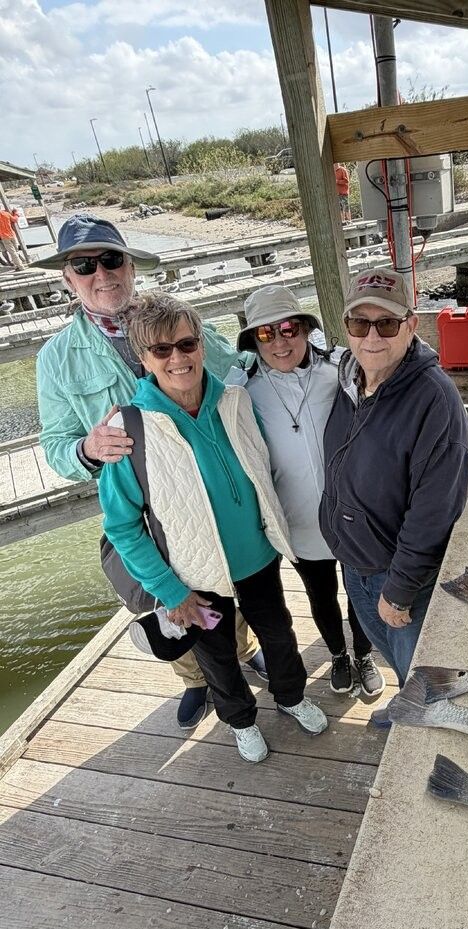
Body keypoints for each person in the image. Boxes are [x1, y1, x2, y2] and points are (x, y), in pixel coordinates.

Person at [33, 213, 266, 729]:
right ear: (67, 279)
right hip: (140, 507)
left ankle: (242, 652)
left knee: (223, 579)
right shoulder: (55, 358)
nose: (102, 272)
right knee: (167, 595)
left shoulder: (176, 318)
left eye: (111, 258)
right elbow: (53, 446)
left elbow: (235, 368)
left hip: (205, 491)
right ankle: (196, 679)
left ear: (131, 265)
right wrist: (88, 448)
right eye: (84, 264)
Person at [98, 293, 328, 763]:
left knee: (279, 633)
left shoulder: (235, 400)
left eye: (186, 344)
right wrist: (168, 589)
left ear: (201, 345)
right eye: (161, 350)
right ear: (143, 358)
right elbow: (123, 526)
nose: (178, 358)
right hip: (194, 577)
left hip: (258, 558)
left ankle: (290, 696)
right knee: (217, 655)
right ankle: (241, 720)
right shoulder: (130, 428)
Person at [319, 268, 468, 725]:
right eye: (359, 324)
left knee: (419, 667)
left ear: (411, 325)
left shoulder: (436, 403)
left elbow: (435, 512)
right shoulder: (347, 380)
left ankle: (419, 719)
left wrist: (400, 590)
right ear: (345, 328)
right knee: (387, 650)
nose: (371, 337)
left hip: (401, 577)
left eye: (386, 324)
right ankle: (406, 700)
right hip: (357, 564)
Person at [236, 285, 386, 699]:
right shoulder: (242, 392)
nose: (280, 341)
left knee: (362, 593)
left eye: (288, 328)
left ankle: (364, 653)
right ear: (253, 341)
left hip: (354, 514)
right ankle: (337, 654)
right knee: (320, 594)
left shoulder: (339, 369)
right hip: (298, 517)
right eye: (266, 334)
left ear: (305, 329)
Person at [0, 207, 25, 271]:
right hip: (12, 235)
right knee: (16, 251)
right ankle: (19, 264)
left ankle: (20, 266)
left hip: (5, 237)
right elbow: (15, 220)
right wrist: (16, 213)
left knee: (12, 252)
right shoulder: (6, 214)